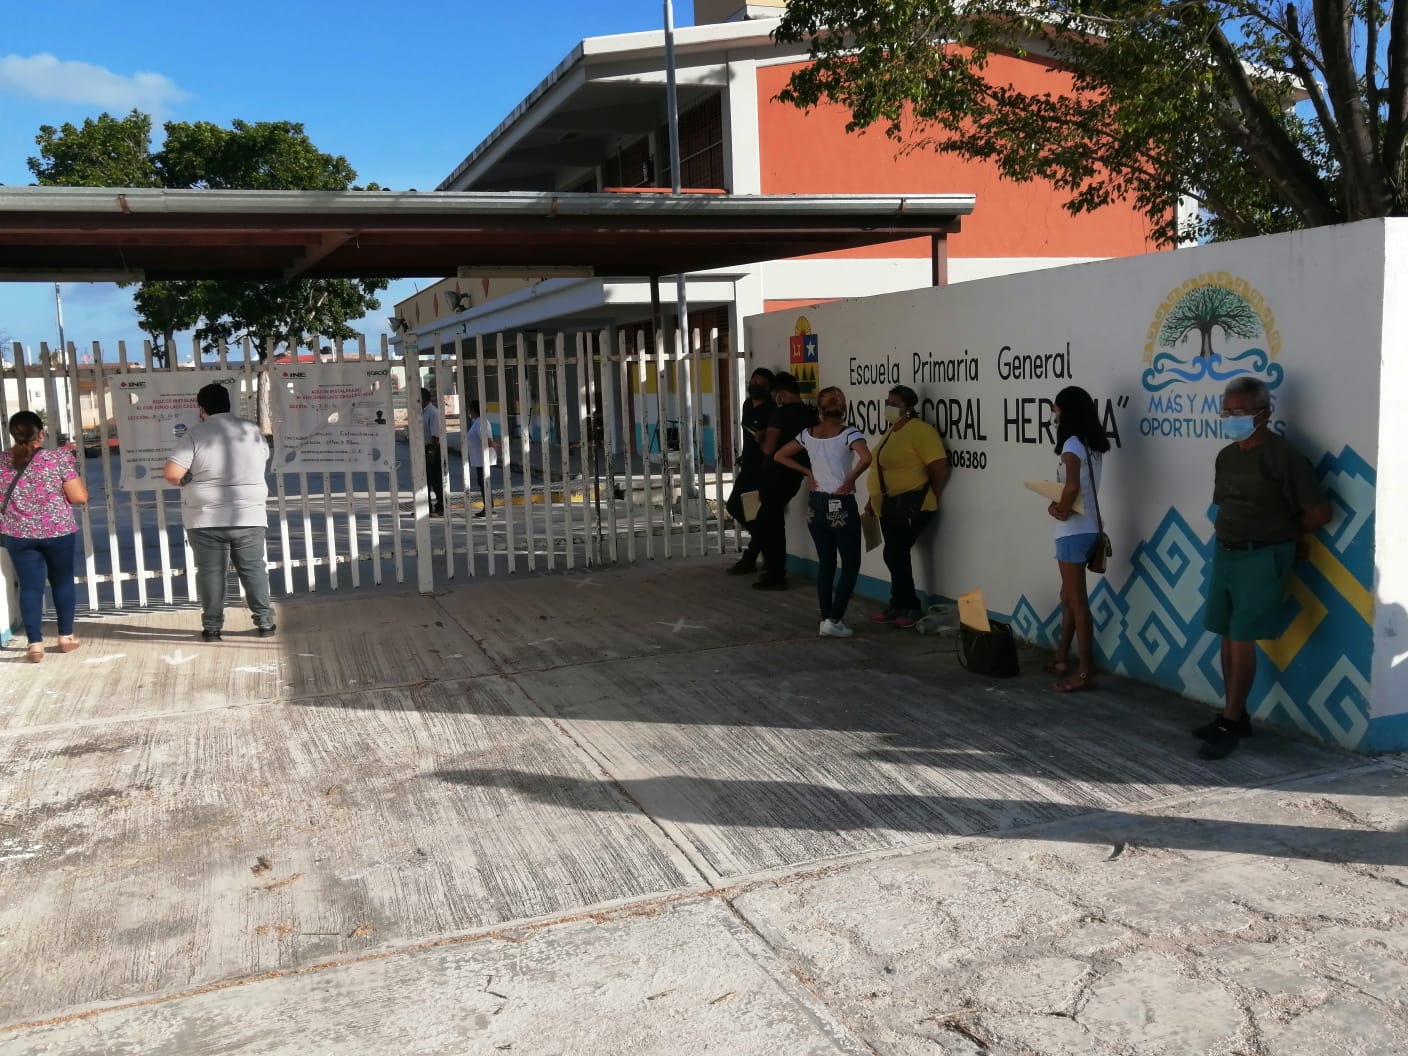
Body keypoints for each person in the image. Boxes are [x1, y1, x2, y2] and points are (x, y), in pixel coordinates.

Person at [1196, 376, 1330, 759]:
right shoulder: (1227, 456)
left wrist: (1283, 536)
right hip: (1227, 554)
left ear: (1264, 414)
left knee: (1242, 638)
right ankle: (1234, 715)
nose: (1231, 419)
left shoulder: (1284, 456)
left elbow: (1319, 512)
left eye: (1240, 412)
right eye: (1226, 412)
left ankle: (1230, 722)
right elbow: (1226, 504)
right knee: (1226, 634)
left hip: (1263, 557)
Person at [162, 384, 276, 642]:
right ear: (228, 404)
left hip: (206, 517)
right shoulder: (252, 431)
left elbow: (172, 473)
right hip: (248, 514)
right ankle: (265, 622)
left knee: (211, 572)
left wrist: (186, 479)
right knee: (253, 568)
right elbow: (262, 460)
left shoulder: (196, 434)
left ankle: (213, 628)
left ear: (201, 408)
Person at [774, 387, 872, 637]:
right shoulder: (849, 433)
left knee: (826, 564)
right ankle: (835, 619)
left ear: (820, 409)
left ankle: (826, 618)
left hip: (816, 503)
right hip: (841, 502)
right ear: (844, 408)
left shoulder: (808, 434)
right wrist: (850, 480)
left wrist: (808, 472)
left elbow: (780, 455)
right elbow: (866, 458)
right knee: (850, 564)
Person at [1, 411, 88, 662]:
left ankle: (35, 645)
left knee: (30, 587)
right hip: (58, 531)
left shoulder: (2, 461)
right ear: (40, 434)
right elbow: (79, 497)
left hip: (18, 533)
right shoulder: (58, 458)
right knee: (62, 582)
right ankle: (65, 637)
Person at [864, 385, 950, 627]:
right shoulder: (892, 431)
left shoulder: (921, 431)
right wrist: (871, 499)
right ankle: (898, 604)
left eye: (895, 404)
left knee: (895, 553)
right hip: (888, 504)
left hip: (910, 503)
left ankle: (910, 606)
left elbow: (938, 465)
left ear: (909, 407)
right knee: (895, 555)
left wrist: (934, 493)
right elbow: (879, 468)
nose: (889, 407)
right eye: (887, 402)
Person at [1045, 386, 1111, 692]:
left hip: (1072, 531)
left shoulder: (1071, 444)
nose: (1054, 415)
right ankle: (1061, 656)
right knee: (1068, 597)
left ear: (1066, 411)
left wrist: (1058, 508)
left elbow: (1071, 487)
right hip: (1091, 528)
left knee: (1076, 601)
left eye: (1056, 409)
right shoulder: (1092, 444)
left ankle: (1085, 671)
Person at [752, 372, 819, 590]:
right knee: (771, 522)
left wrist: (760, 438)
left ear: (781, 393)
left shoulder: (779, 415)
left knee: (769, 525)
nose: (774, 398)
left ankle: (776, 574)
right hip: (795, 476)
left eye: (775, 394)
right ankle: (774, 571)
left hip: (775, 474)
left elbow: (769, 449)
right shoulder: (811, 413)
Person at [725, 367, 775, 575]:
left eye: (761, 384)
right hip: (748, 466)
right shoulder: (747, 405)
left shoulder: (771, 410)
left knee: (753, 513)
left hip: (762, 469)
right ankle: (762, 545)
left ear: (769, 388)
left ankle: (753, 555)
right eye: (754, 382)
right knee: (736, 507)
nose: (755, 386)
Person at [466, 400, 501, 518]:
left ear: (473, 410)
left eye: (470, 409)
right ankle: (488, 507)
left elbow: (487, 440)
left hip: (484, 458)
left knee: (484, 483)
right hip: (479, 459)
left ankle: (489, 508)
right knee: (482, 483)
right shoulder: (477, 422)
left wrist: (495, 445)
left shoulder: (482, 422)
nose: (469, 412)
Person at [420, 387, 445, 516]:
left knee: (435, 480)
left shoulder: (433, 412)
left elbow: (436, 435)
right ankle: (427, 507)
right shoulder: (423, 412)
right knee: (425, 481)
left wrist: (431, 451)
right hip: (424, 449)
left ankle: (441, 507)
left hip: (431, 448)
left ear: (423, 399)